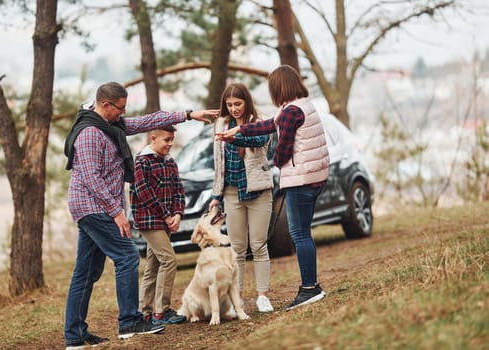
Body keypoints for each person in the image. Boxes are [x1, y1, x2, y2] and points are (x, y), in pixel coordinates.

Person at [63, 81, 218, 349]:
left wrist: (189, 115)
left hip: (94, 206)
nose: (123, 113)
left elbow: (150, 121)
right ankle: (129, 322)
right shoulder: (90, 132)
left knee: (86, 272)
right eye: (119, 108)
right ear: (105, 105)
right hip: (94, 206)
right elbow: (91, 178)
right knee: (127, 256)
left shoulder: (111, 125)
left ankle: (74, 336)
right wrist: (116, 213)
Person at [215, 65, 330, 311]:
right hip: (315, 176)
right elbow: (268, 124)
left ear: (279, 88)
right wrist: (240, 129)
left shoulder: (291, 111)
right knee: (304, 233)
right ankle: (310, 285)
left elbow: (283, 148)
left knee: (299, 234)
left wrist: (276, 162)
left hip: (301, 179)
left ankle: (310, 287)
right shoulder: (301, 105)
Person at [208, 83, 274, 313]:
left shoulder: (260, 120)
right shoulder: (221, 124)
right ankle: (238, 299)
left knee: (258, 245)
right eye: (229, 104)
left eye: (238, 104)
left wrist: (236, 136)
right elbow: (219, 164)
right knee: (237, 249)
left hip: (258, 192)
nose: (234, 108)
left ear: (247, 102)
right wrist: (216, 196)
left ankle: (263, 295)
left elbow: (260, 141)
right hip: (231, 193)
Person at [130, 125, 186, 325]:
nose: (170, 144)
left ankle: (144, 312)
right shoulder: (142, 161)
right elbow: (144, 192)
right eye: (166, 140)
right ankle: (161, 312)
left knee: (153, 266)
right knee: (169, 260)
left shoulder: (170, 162)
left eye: (172, 140)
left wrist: (178, 213)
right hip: (149, 219)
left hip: (166, 219)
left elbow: (179, 189)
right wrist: (166, 215)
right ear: (153, 138)